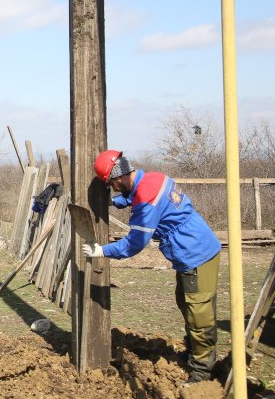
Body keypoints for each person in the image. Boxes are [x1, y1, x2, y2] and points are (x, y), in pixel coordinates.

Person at [83, 150, 222, 383]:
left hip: (196, 254)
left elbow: (135, 243)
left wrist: (102, 251)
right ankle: (196, 353)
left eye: (112, 185)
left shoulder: (146, 199)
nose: (114, 189)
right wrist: (115, 202)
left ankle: (202, 372)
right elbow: (135, 195)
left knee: (199, 314)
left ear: (118, 178)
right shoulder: (154, 178)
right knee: (186, 303)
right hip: (195, 250)